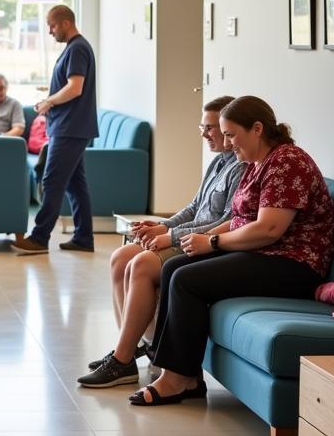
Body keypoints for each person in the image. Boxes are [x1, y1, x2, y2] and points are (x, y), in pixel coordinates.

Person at [130, 96, 334, 406]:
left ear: (257, 128)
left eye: (230, 134)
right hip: (265, 254)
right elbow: (239, 221)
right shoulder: (255, 164)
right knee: (173, 268)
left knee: (188, 280)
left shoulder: (287, 161)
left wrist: (212, 243)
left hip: (293, 265)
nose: (226, 143)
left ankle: (177, 378)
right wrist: (202, 238)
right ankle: (182, 374)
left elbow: (269, 229)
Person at [77, 95, 245, 387]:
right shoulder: (218, 162)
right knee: (119, 259)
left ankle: (125, 358)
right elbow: (195, 206)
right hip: (186, 233)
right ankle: (126, 353)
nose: (204, 134)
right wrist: (161, 226)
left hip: (203, 241)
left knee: (140, 264)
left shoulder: (241, 167)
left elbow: (226, 222)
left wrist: (170, 236)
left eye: (210, 128)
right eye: (202, 127)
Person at [13, 5, 97, 255]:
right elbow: (69, 86)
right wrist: (49, 96)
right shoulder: (74, 49)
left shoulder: (78, 48)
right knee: (75, 184)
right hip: (71, 125)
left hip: (70, 127)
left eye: (52, 25)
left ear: (66, 23)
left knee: (52, 181)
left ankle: (39, 238)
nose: (50, 31)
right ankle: (84, 238)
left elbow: (75, 87)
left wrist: (49, 102)